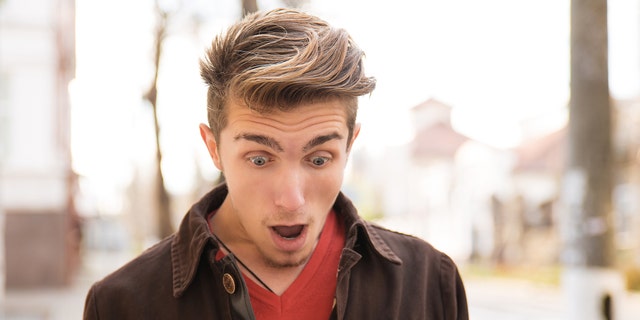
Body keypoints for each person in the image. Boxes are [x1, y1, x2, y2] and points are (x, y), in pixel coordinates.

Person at [83, 8, 468, 320]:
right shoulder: (121, 306)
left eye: (319, 159)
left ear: (350, 145)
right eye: (260, 159)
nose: (292, 199)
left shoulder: (430, 286)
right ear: (213, 148)